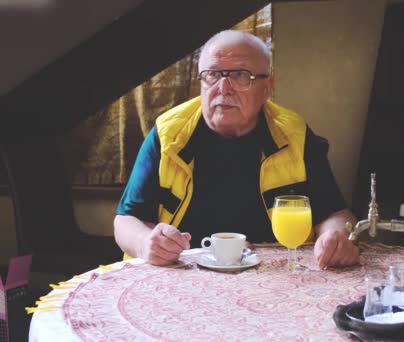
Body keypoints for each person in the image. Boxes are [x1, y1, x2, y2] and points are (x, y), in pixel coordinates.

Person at [114, 30, 359, 269]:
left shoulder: (294, 134)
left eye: (241, 75)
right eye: (212, 75)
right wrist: (144, 242)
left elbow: (335, 212)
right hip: (185, 272)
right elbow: (126, 220)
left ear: (267, 88)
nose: (223, 88)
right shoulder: (169, 134)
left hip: (275, 275)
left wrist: (335, 237)